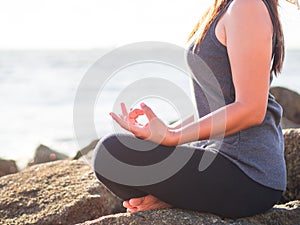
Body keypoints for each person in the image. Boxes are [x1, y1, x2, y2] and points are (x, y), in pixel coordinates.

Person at [92, 0, 288, 219]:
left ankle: (176, 198)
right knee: (112, 156)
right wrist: (163, 131)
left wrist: (173, 136)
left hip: (249, 172)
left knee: (111, 153)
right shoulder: (226, 7)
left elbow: (252, 108)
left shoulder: (247, 6)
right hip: (217, 159)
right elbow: (214, 105)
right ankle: (172, 199)